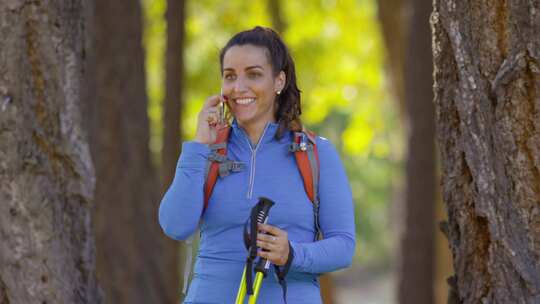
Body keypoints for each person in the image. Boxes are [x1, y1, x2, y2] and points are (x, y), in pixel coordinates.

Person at [159, 26, 355, 304]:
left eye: (253, 74)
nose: (239, 87)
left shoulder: (315, 152)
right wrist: (199, 145)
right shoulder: (207, 152)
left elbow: (344, 247)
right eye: (230, 76)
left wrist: (293, 254)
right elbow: (175, 225)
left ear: (279, 81)